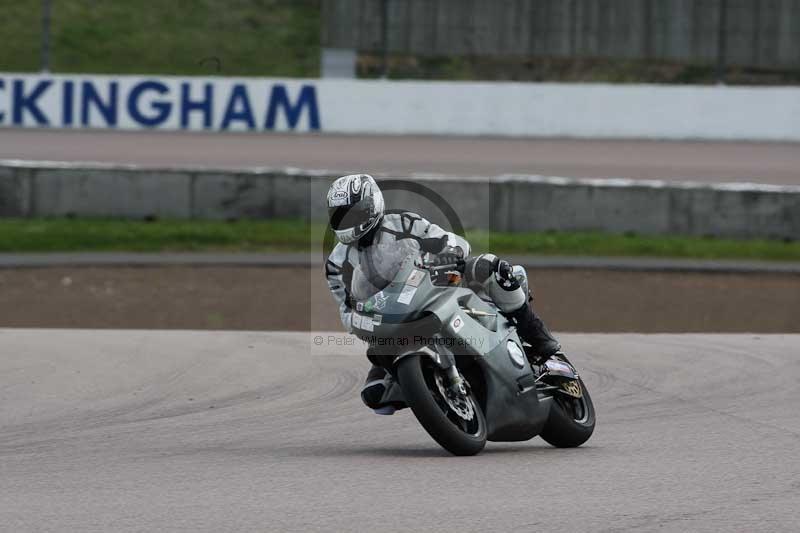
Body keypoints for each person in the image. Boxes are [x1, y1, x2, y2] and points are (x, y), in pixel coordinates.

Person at [325, 174, 561, 414]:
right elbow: (346, 312)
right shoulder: (335, 263)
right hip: (390, 319)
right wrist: (362, 319)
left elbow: (451, 241)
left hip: (435, 283)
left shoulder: (404, 223)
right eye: (340, 215)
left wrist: (450, 253)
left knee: (491, 267)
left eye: (353, 213)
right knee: (375, 395)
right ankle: (429, 389)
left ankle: (536, 334)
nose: (347, 221)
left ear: (372, 205)